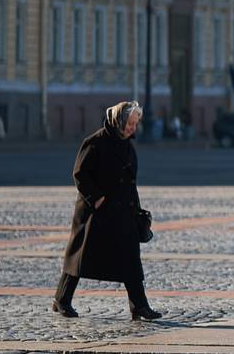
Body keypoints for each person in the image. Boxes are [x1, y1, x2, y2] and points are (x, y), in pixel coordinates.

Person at [53, 101, 162, 321]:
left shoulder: (127, 146)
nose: (133, 128)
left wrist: (137, 210)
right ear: (119, 121)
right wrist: (97, 198)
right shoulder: (95, 142)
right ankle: (62, 299)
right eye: (130, 123)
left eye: (135, 124)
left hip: (123, 212)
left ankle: (139, 305)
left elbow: (130, 183)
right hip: (96, 213)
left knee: (130, 258)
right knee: (80, 257)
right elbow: (80, 174)